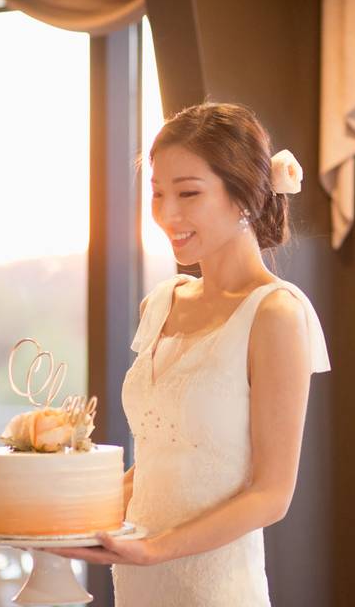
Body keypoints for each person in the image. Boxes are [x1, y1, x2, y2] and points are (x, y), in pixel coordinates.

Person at [52, 102, 331, 605]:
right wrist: (59, 519)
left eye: (189, 193)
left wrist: (158, 550)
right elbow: (160, 459)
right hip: (137, 580)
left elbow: (271, 494)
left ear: (243, 196)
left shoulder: (275, 315)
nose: (168, 213)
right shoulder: (159, 304)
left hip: (215, 588)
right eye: (158, 194)